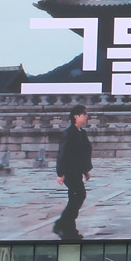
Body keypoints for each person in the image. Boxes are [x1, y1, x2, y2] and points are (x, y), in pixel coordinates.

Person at [52, 104, 93, 242]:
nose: (86, 117)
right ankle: (62, 224)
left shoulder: (82, 133)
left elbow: (84, 153)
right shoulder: (69, 132)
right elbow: (62, 153)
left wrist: (86, 170)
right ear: (76, 116)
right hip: (69, 171)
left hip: (77, 171)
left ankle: (69, 229)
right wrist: (60, 173)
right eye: (84, 114)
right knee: (79, 195)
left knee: (76, 197)